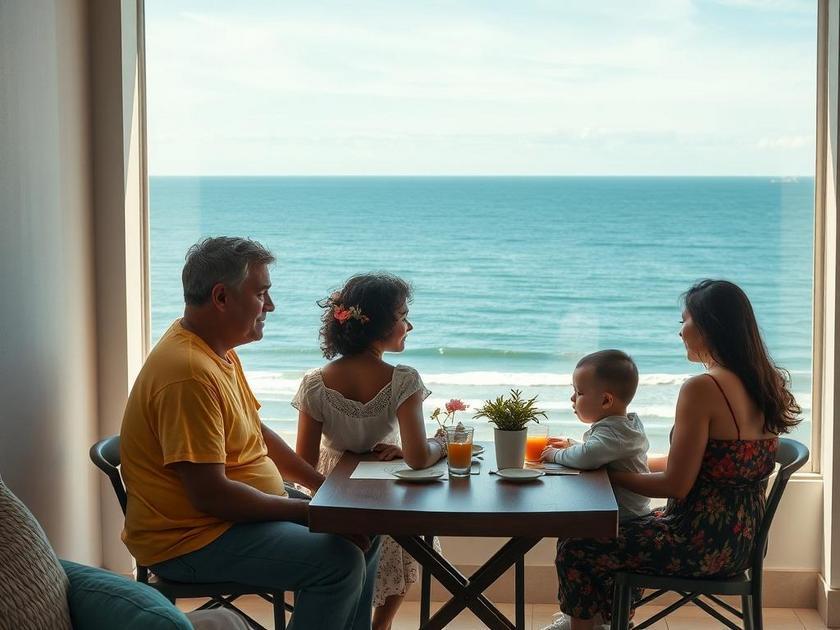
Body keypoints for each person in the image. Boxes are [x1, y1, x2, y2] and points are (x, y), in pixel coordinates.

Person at [120, 237, 381, 630]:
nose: (270, 306)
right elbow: (213, 496)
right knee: (339, 562)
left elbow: (255, 432)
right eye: (261, 294)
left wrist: (323, 487)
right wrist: (312, 511)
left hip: (236, 518)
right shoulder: (188, 373)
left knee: (365, 526)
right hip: (193, 540)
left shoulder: (216, 351)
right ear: (221, 297)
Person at [544, 280, 801, 630]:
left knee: (579, 542)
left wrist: (606, 476)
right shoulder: (760, 381)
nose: (680, 332)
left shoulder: (703, 387)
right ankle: (603, 622)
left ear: (710, 325)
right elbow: (706, 463)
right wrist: (618, 461)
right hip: (740, 540)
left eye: (684, 321)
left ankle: (585, 625)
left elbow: (677, 484)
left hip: (696, 543)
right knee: (610, 527)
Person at [294, 273, 446, 630]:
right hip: (384, 487)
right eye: (401, 316)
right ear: (377, 325)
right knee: (403, 551)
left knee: (348, 561)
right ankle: (382, 625)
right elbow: (419, 457)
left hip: (333, 486)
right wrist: (441, 444)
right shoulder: (402, 379)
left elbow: (303, 461)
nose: (409, 325)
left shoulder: (315, 383)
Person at [541, 349, 650, 522]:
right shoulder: (623, 427)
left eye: (579, 393)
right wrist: (571, 444)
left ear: (606, 400)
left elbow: (588, 456)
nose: (572, 398)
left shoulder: (614, 432)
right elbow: (600, 451)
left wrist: (555, 455)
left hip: (624, 520)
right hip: (619, 514)